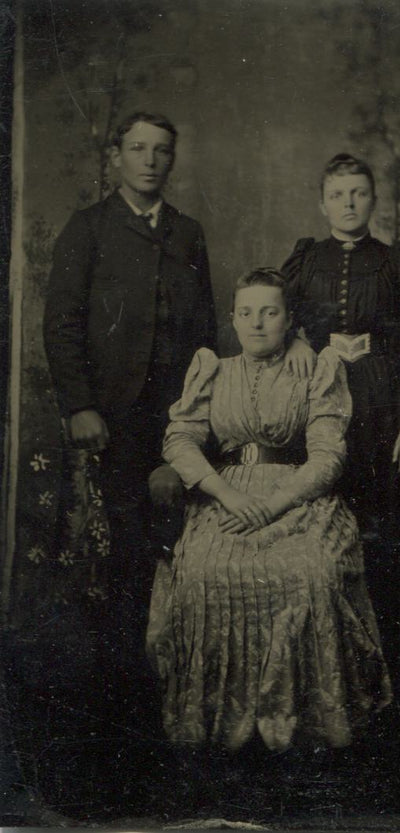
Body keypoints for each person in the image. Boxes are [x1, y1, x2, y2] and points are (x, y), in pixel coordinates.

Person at [146, 268, 392, 756]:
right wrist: (226, 494)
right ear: (234, 320)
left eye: (270, 312)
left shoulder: (316, 369)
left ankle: (308, 729)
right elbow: (181, 437)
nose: (257, 323)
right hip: (226, 492)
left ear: (289, 319)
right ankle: (213, 725)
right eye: (246, 313)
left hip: (297, 493)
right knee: (201, 571)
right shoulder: (213, 369)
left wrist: (274, 505)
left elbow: (328, 455)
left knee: (312, 572)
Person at [43, 111, 218, 667]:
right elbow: (62, 323)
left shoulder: (187, 233)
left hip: (177, 417)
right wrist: (80, 405)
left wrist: (197, 416)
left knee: (181, 539)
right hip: (111, 417)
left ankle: (177, 675)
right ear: (117, 155)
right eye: (138, 148)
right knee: (123, 548)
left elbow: (206, 335)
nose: (149, 160)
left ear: (172, 158)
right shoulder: (88, 227)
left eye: (161, 150)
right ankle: (121, 688)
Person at [281, 154, 400, 540]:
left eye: (358, 193)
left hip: (383, 394)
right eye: (337, 194)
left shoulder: (392, 260)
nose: (348, 203)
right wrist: (294, 338)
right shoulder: (308, 259)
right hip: (318, 391)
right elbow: (269, 314)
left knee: (381, 512)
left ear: (372, 200)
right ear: (323, 204)